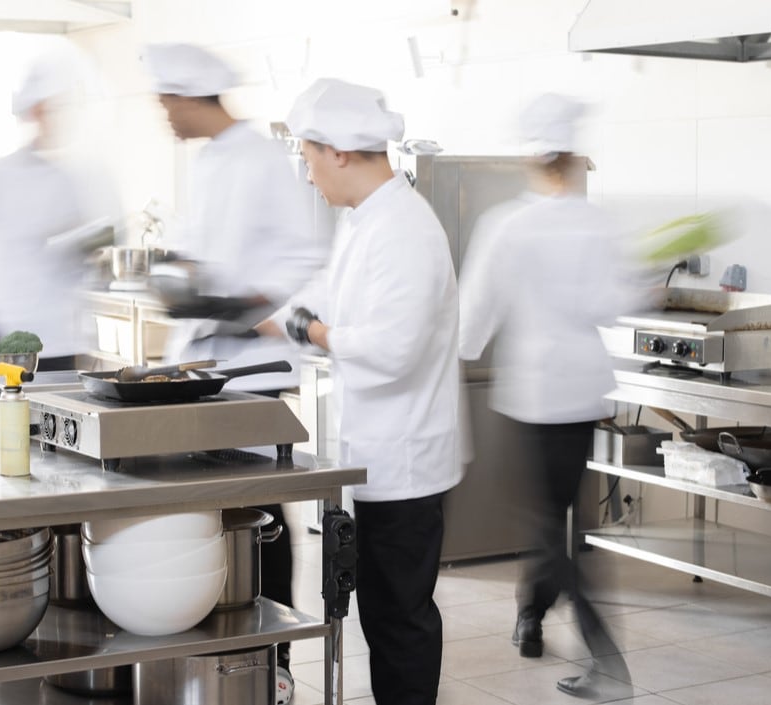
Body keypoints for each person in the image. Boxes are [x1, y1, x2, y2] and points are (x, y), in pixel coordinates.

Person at [258, 78, 464, 705]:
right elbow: (319, 295)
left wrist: (312, 330)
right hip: (376, 454)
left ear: (340, 152)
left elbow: (392, 349)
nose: (309, 173)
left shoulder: (402, 228)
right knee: (380, 612)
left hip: (404, 459)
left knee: (399, 619)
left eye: (309, 157)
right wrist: (253, 315)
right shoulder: (366, 220)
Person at [141, 42, 325, 704]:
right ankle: (224, 650)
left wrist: (241, 303)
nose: (163, 113)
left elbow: (302, 257)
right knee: (212, 510)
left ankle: (274, 660)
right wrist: (180, 279)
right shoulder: (212, 161)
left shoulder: (259, 158)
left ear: (192, 99)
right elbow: (205, 253)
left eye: (166, 101)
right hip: (202, 362)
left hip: (253, 365)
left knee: (259, 510)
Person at [457, 92, 634, 698]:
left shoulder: (509, 224)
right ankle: (530, 617)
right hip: (582, 391)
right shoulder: (598, 222)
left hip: (532, 393)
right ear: (575, 156)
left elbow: (474, 316)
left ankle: (606, 657)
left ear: (532, 157)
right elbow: (616, 304)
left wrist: (443, 357)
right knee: (564, 520)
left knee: (543, 526)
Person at [0, 46, 118, 371]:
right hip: (7, 333)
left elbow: (91, 247)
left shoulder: (72, 178)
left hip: (61, 338)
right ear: (32, 112)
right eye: (47, 109)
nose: (54, 119)